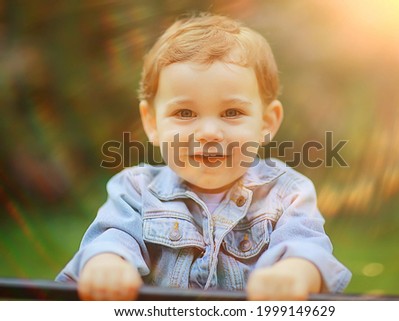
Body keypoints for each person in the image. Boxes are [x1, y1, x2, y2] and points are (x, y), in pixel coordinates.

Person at [56, 12, 351, 300]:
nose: (209, 132)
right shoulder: (134, 191)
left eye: (232, 112)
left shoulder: (287, 193)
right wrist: (107, 263)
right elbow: (112, 237)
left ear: (267, 122)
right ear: (152, 123)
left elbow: (307, 248)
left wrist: (295, 273)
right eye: (185, 113)